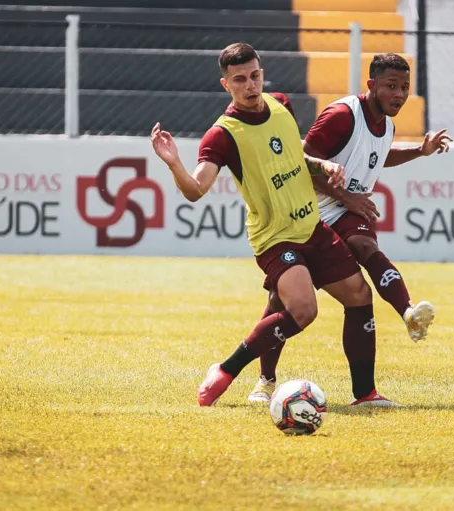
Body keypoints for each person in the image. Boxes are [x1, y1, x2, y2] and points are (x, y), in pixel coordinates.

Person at [151, 42, 395, 407]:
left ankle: (366, 394)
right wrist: (173, 163)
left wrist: (320, 165)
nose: (250, 85)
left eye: (254, 76)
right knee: (304, 310)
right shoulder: (222, 134)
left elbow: (291, 150)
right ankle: (225, 369)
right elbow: (196, 189)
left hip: (312, 228)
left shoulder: (281, 103)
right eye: (239, 80)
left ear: (262, 73)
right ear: (225, 85)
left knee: (360, 295)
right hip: (275, 239)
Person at [248, 53, 452, 403]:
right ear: (371, 85)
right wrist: (346, 195)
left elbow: (380, 153)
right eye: (391, 86)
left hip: (346, 210)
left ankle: (403, 319)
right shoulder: (342, 115)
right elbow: (301, 163)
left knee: (365, 252)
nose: (399, 94)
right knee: (283, 303)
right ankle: (265, 381)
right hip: (307, 214)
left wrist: (420, 149)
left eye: (404, 87)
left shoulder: (386, 124)